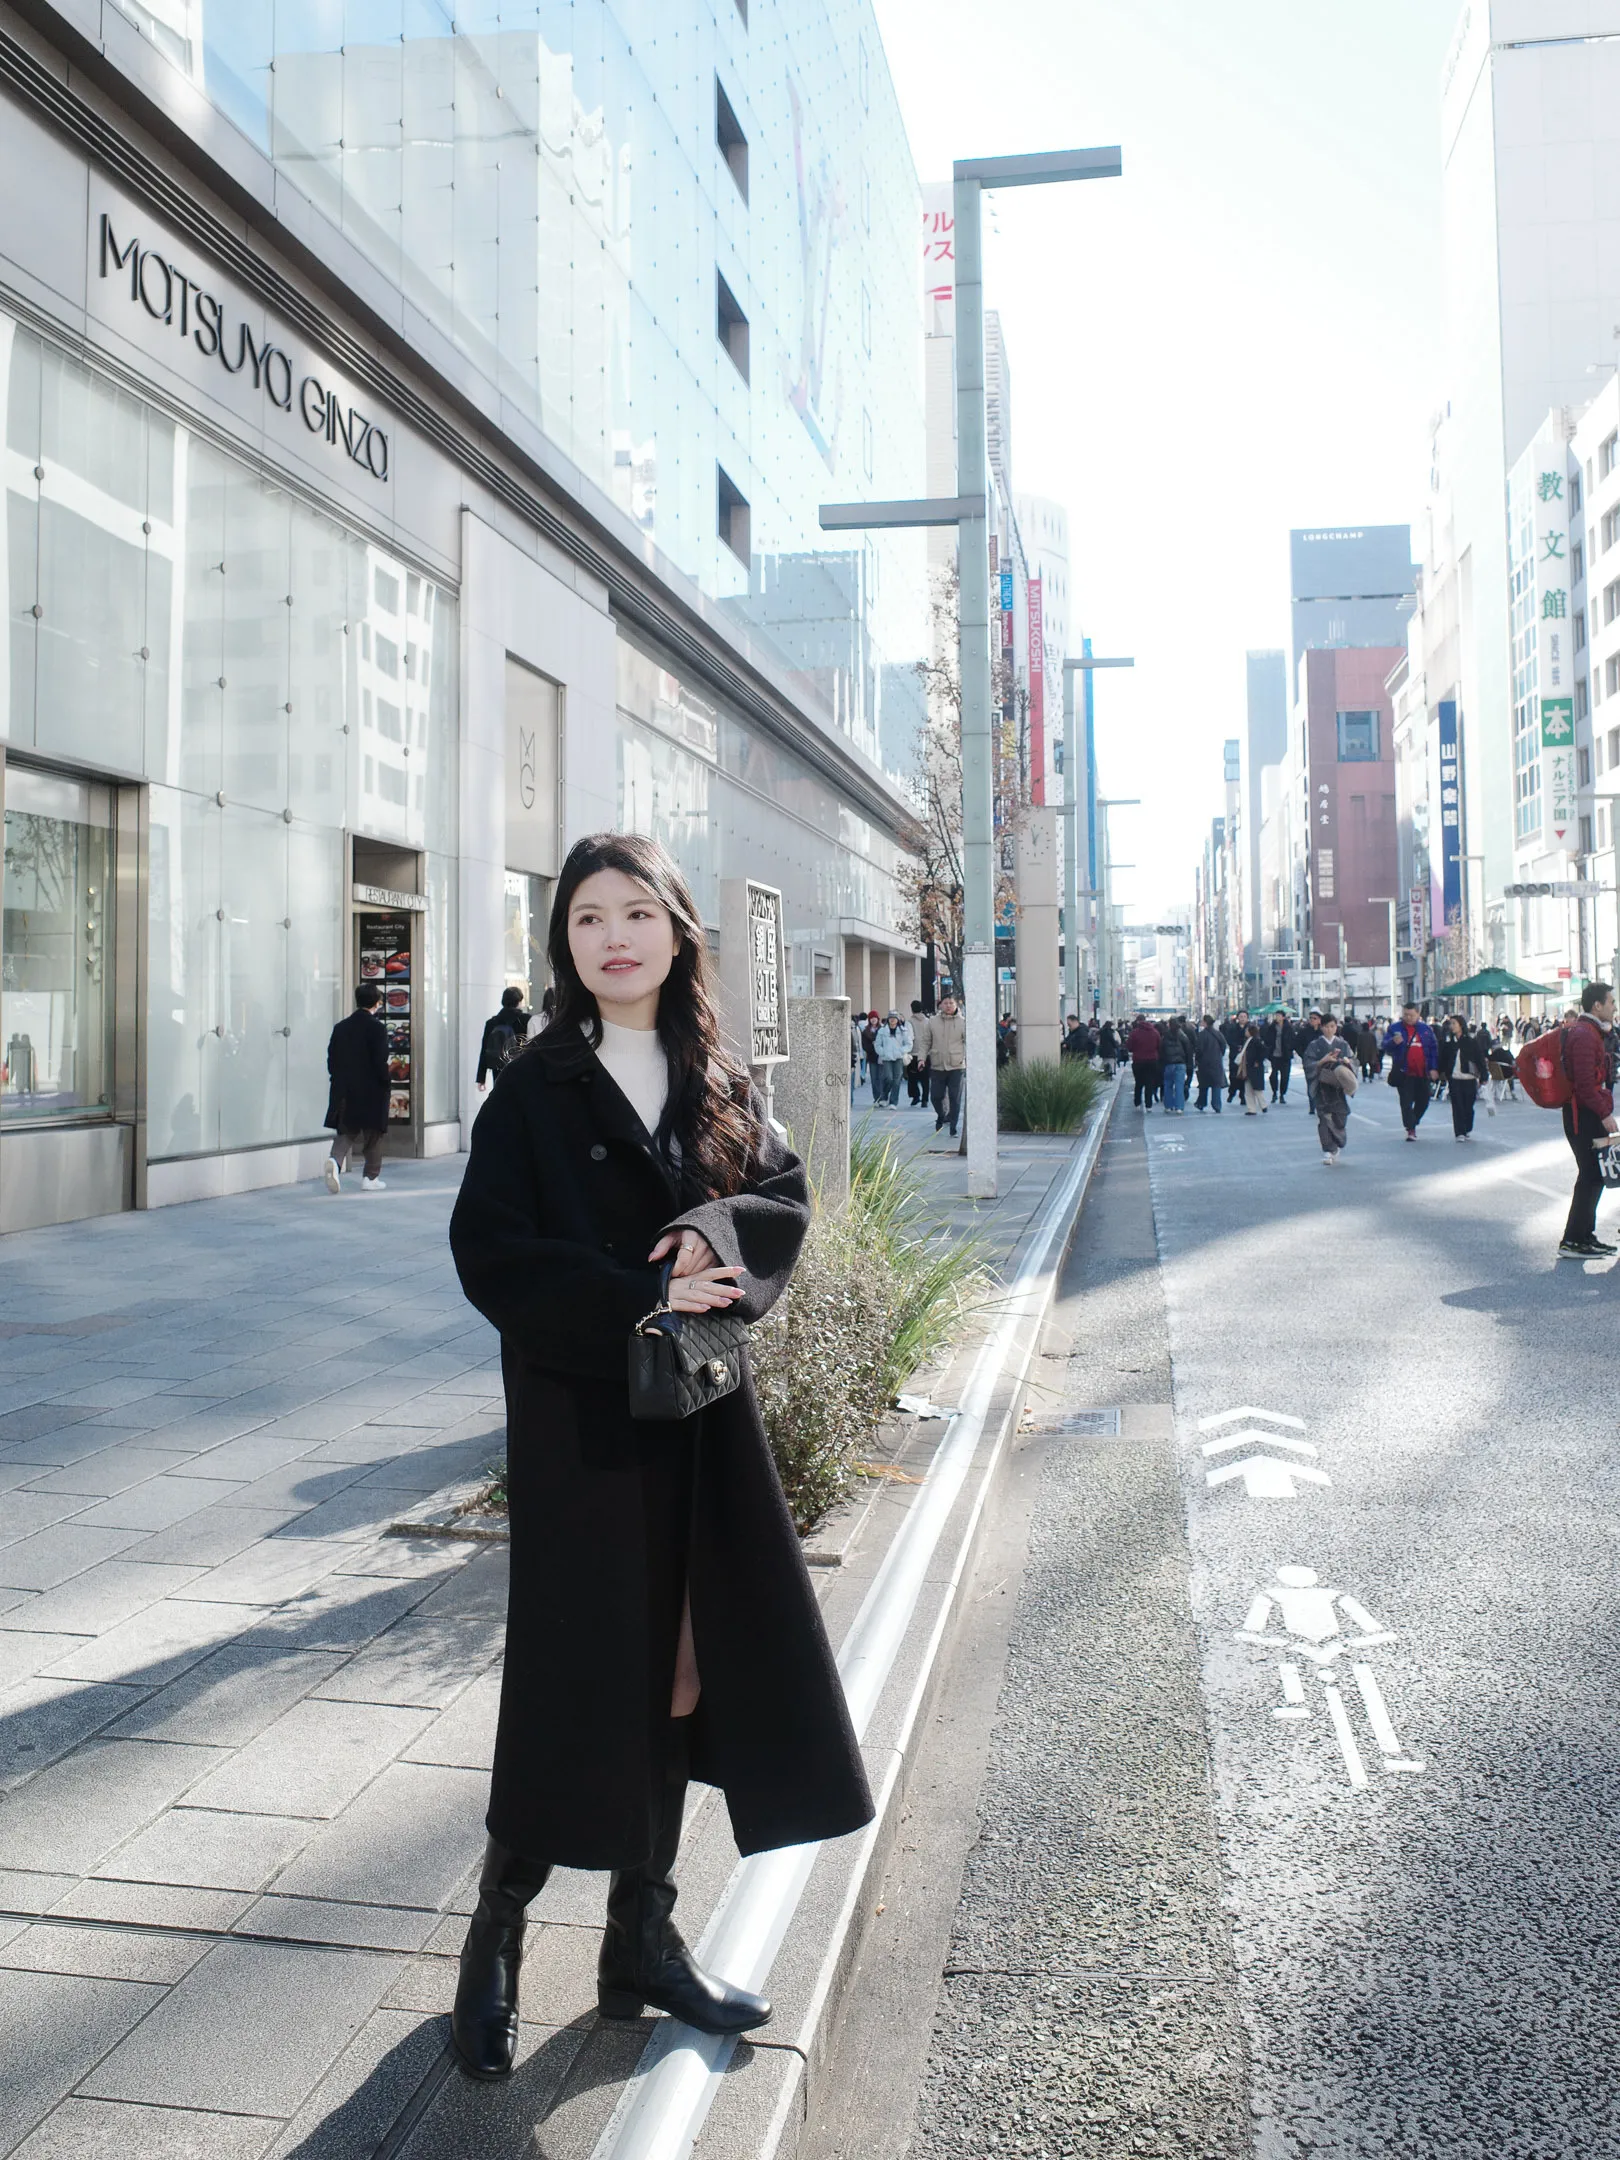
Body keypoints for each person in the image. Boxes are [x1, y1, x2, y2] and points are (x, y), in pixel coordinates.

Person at [445, 833, 872, 2077]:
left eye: (637, 912)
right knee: (574, 1680)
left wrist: (717, 1240)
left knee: (686, 1672)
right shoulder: (535, 1085)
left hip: (699, 1418)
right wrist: (638, 1297)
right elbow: (490, 1252)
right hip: (582, 1428)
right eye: (588, 918)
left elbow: (781, 1201)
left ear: (679, 933)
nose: (614, 937)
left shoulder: (716, 1075)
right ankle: (497, 1936)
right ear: (564, 943)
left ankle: (642, 1938)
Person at [1556, 981, 1620, 1259]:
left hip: (1585, 1113)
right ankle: (1572, 1240)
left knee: (1595, 1175)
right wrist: (1604, 1114)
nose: (1614, 1007)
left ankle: (1584, 1236)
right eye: (1611, 1002)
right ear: (1597, 1005)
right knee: (1591, 1175)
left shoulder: (1591, 1031)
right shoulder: (1584, 1035)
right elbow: (1584, 1085)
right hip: (1583, 1116)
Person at [323, 983, 390, 1194]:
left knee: (346, 1131)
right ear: (377, 1003)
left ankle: (335, 1161)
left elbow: (331, 1060)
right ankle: (371, 1177)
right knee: (373, 1135)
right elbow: (380, 1061)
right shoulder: (377, 1028)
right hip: (372, 1090)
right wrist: (386, 1082)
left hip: (345, 1089)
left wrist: (338, 1080)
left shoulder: (341, 1027)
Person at [1382, 1003, 1439, 1140]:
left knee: (1424, 1100)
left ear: (1418, 1014)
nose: (1408, 1018)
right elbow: (1385, 1046)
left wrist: (1433, 1068)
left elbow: (1433, 1049)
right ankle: (1410, 1128)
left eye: (1411, 1015)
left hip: (1422, 1072)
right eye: (1405, 1015)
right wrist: (1393, 1042)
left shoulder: (1425, 1029)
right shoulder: (1395, 1028)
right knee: (1406, 1102)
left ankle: (1414, 1120)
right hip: (1404, 1072)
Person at [915, 994, 967, 1136]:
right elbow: (926, 1041)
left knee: (955, 1098)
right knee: (935, 1097)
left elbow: (969, 1042)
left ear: (956, 1005)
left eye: (951, 1003)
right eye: (945, 1003)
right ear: (941, 1005)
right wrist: (921, 1059)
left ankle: (953, 1127)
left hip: (957, 1065)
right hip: (937, 1064)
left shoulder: (963, 1022)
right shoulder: (932, 1021)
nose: (948, 1005)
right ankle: (941, 1114)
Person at [1313, 1015, 1357, 1165]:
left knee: (1339, 1118)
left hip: (1338, 1089)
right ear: (1321, 1027)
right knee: (1324, 1118)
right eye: (1326, 1026)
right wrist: (1322, 1061)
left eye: (1332, 1026)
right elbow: (1308, 1063)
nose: (1329, 1029)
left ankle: (1337, 1144)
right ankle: (1328, 1150)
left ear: (1336, 1027)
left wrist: (1347, 1062)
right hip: (1322, 1088)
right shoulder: (1315, 1045)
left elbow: (1353, 1061)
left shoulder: (1343, 1044)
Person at [1438, 1015, 1487, 1140]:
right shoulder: (1449, 1043)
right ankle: (1459, 1132)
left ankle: (1467, 1128)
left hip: (1469, 1078)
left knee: (1468, 1106)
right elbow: (1443, 1059)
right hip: (1454, 1078)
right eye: (1451, 1024)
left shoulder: (1471, 1042)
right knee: (1457, 1105)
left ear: (1461, 1025)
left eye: (1454, 1023)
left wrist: (1484, 1075)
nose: (1452, 1026)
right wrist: (1440, 1072)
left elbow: (1479, 1059)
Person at [476, 985, 532, 1092]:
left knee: (500, 1095)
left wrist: (481, 1078)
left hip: (498, 1068)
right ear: (519, 1002)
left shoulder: (492, 1023)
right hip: (520, 1067)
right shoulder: (526, 1020)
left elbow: (484, 1050)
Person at [872, 1011, 912, 1107]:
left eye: (894, 1018)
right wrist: (883, 1052)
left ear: (897, 1019)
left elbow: (909, 1044)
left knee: (897, 1080)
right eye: (891, 1018)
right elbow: (877, 1044)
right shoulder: (882, 1031)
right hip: (887, 1058)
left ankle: (893, 1102)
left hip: (898, 1057)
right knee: (888, 1078)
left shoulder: (903, 1030)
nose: (892, 1020)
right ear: (888, 1019)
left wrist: (901, 1051)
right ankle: (884, 1097)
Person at [1127, 1013, 1162, 1111]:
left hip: (1138, 1061)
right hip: (1152, 1061)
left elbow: (1129, 1047)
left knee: (1138, 1083)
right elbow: (1159, 1046)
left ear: (1138, 1021)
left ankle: (1137, 1103)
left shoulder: (1134, 1033)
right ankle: (1148, 1105)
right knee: (1149, 1083)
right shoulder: (1155, 1032)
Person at [1159, 1013, 1191, 1114]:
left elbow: (1161, 1051)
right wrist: (1189, 1064)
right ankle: (1179, 1107)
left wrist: (1161, 1064)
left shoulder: (1165, 1036)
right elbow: (1188, 1050)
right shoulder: (1183, 1036)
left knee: (1168, 1085)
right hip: (1180, 1063)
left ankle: (1168, 1106)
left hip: (1168, 1064)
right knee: (1179, 1086)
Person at [1193, 1015, 1227, 1112]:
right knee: (1216, 1084)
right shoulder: (1218, 1034)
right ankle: (1217, 1105)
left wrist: (1197, 1059)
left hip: (1204, 1063)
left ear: (1205, 1022)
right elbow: (1223, 1045)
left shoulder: (1202, 1035)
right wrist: (1219, 1055)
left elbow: (1199, 1049)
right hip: (1216, 1062)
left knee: (1203, 1084)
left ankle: (1201, 1103)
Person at [1263, 1010, 1294, 1104]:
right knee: (1273, 1075)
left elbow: (1293, 1039)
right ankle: (1274, 1092)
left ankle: (1282, 1094)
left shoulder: (1288, 1027)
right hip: (1274, 1055)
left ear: (1283, 1017)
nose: (1277, 1017)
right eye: (1276, 1015)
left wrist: (1290, 1048)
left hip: (1285, 1055)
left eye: (1279, 1015)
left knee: (1285, 1076)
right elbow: (1267, 1039)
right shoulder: (1272, 1027)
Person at [1239, 1021, 1267, 1114]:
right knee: (1248, 1089)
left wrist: (1258, 1061)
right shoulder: (1248, 1041)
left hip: (1254, 1068)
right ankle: (1252, 1109)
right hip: (1248, 1068)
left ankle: (1263, 1105)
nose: (1245, 1032)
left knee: (1256, 1089)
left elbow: (1263, 1051)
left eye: (1247, 1031)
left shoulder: (1255, 1041)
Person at [906, 999, 929, 1105]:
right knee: (925, 1078)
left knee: (912, 1077)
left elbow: (909, 1037)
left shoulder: (909, 1022)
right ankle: (925, 1099)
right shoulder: (928, 1021)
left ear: (912, 1009)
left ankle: (916, 1096)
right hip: (926, 1053)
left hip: (913, 1053)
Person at [860, 1011, 882, 1105]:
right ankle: (876, 1098)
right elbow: (864, 1045)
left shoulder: (882, 1029)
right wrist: (873, 1046)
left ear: (878, 1019)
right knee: (874, 1078)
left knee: (881, 1078)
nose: (873, 1020)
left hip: (881, 1057)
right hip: (872, 1057)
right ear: (869, 1019)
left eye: (875, 1018)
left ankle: (882, 1097)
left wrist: (878, 1046)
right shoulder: (865, 1031)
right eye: (871, 1018)